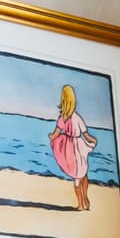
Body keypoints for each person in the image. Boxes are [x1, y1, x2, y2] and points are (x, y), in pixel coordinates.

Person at [48, 83, 93, 211]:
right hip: (79, 146)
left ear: (63, 99)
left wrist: (51, 137)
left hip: (69, 148)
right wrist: (92, 140)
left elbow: (55, 134)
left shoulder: (62, 117)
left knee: (77, 176)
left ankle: (80, 203)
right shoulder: (77, 117)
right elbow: (85, 134)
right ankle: (85, 199)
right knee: (83, 173)